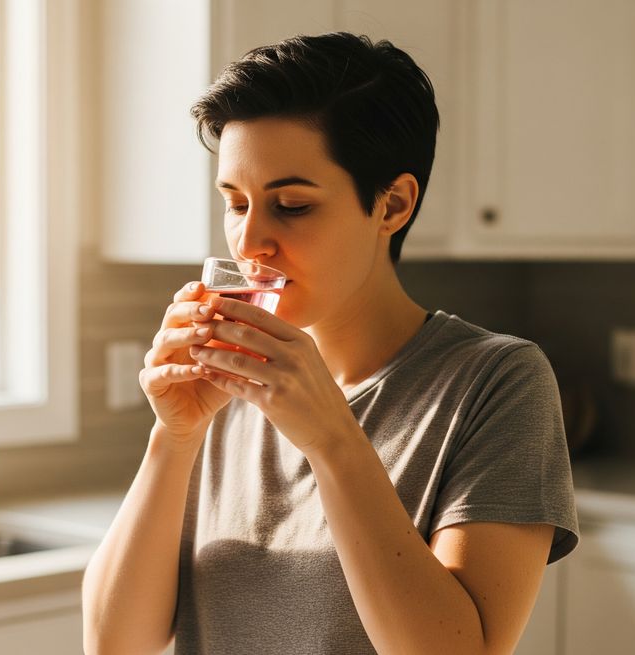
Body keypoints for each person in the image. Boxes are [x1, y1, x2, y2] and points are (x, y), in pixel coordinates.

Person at [82, 32, 579, 655]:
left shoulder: (496, 382)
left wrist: (331, 436)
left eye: (291, 205)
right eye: (236, 204)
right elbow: (112, 645)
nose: (250, 242)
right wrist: (174, 437)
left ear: (392, 204)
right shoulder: (226, 384)